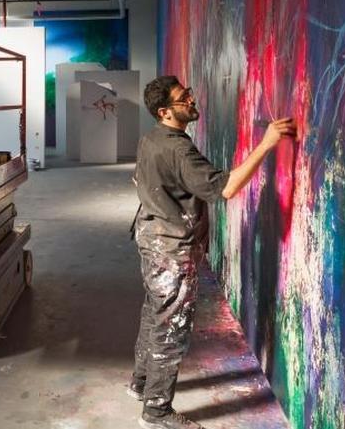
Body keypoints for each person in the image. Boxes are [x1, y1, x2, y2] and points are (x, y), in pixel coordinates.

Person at [128, 75, 296, 429]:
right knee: (171, 328)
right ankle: (156, 411)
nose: (191, 99)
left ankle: (141, 383)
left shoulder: (152, 138)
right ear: (165, 111)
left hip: (151, 237)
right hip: (171, 249)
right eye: (182, 98)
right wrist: (267, 144)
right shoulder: (179, 150)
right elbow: (228, 187)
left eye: (187, 92)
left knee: (154, 313)